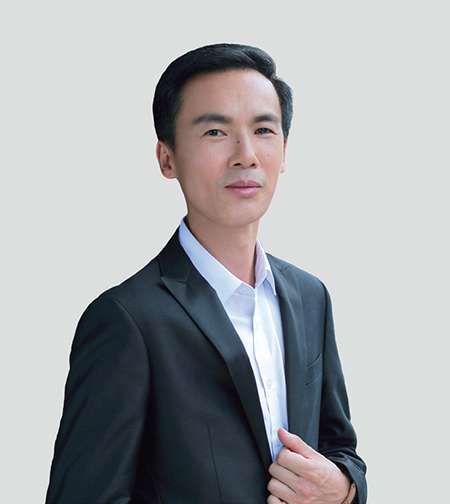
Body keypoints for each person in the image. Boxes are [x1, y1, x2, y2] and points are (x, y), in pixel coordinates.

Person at [45, 43, 367, 504]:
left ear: (284, 150)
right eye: (216, 131)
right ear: (167, 158)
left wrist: (343, 487)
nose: (246, 155)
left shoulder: (309, 296)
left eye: (263, 130)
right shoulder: (126, 321)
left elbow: (340, 448)